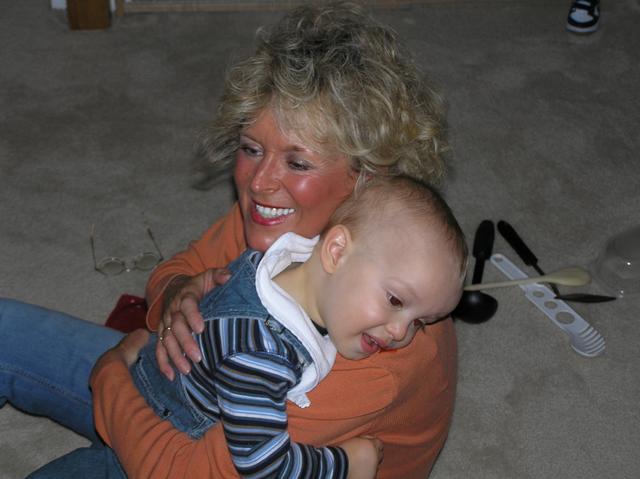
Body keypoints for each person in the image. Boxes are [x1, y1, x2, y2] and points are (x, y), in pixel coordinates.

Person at [0, 2, 457, 478]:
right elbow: (178, 268)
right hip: (183, 391)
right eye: (251, 149)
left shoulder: (376, 340)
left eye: (297, 163)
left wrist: (110, 376)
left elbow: (186, 472)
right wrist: (178, 297)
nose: (259, 183)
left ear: (368, 177)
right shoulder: (289, 228)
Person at [44, 176, 467, 479]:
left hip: (155, 379)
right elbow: (263, 464)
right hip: (159, 428)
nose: (401, 333)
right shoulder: (262, 354)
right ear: (336, 251)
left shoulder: (286, 261)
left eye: (420, 322)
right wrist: (344, 464)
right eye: (395, 302)